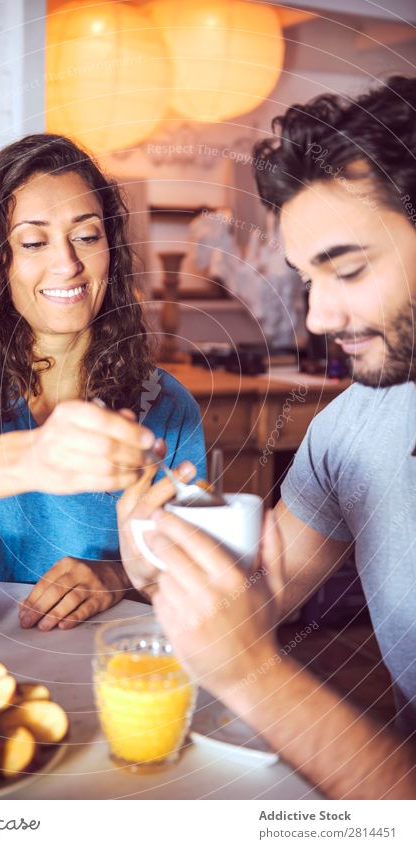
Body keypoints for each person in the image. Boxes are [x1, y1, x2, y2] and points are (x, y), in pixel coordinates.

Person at [119, 76, 416, 798]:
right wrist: (161, 552)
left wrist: (253, 674)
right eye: (307, 279)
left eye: (348, 269)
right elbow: (265, 587)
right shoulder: (352, 429)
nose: (315, 317)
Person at [0, 134, 206, 630]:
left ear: (112, 250)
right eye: (34, 242)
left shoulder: (165, 403)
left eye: (87, 235)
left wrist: (118, 575)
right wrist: (35, 458)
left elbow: (194, 566)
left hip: (103, 662)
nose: (67, 263)